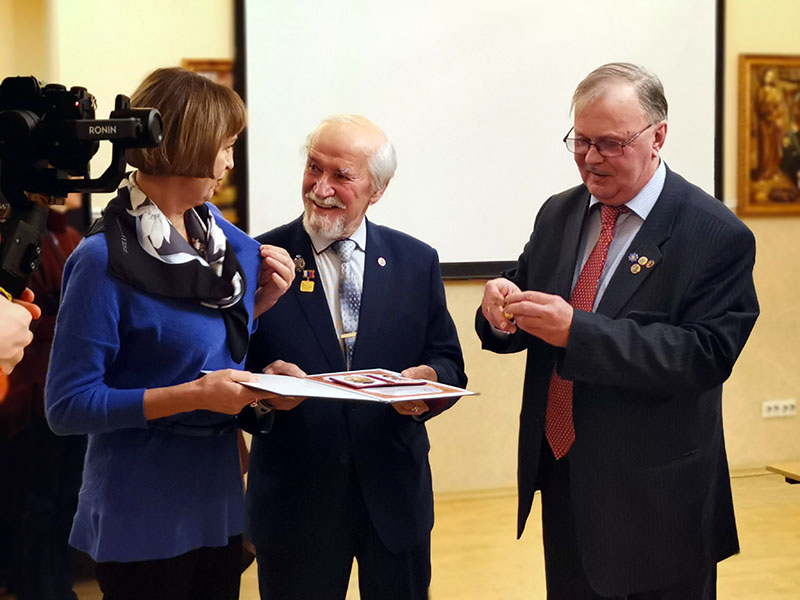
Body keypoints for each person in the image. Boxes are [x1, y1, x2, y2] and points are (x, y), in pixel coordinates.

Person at [475, 63, 759, 600]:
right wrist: (500, 308)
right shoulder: (559, 212)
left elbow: (705, 354)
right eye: (580, 141)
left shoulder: (715, 234)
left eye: (609, 143)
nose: (590, 158)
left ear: (659, 136)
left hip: (658, 504)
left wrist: (575, 333)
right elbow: (528, 293)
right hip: (564, 476)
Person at [45, 67, 295, 600]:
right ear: (187, 144)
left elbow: (203, 355)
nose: (231, 161)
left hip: (219, 493)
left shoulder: (233, 249)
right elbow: (67, 406)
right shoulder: (101, 259)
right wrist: (195, 396)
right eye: (226, 146)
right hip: (141, 503)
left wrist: (262, 359)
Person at [244, 115, 466, 600]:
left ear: (377, 190)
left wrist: (427, 385)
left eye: (342, 176)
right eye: (313, 168)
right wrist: (263, 390)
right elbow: (229, 371)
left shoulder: (416, 261)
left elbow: (448, 360)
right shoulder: (258, 257)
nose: (321, 187)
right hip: (295, 504)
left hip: (394, 500)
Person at [1, 194, 85, 600]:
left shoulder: (73, 238)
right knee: (36, 502)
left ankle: (57, 587)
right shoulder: (18, 235)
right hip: (30, 391)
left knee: (63, 500)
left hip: (67, 388)